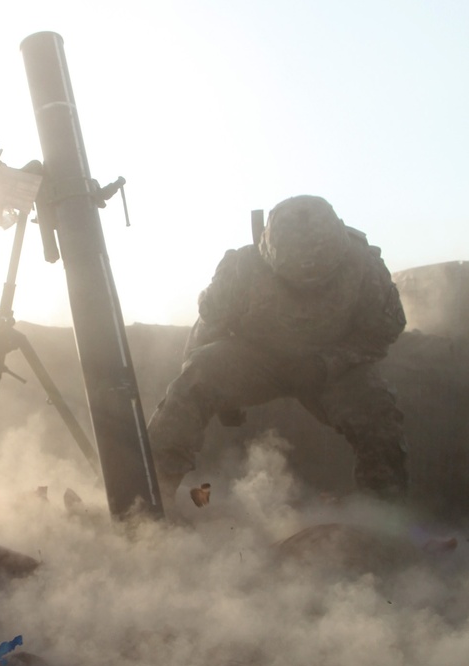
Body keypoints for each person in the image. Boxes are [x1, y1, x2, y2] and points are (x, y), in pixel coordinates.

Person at [147, 194, 408, 504]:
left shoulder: (364, 268)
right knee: (192, 383)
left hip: (330, 366)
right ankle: (148, 500)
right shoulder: (242, 269)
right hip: (256, 361)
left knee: (378, 412)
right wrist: (218, 393)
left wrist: (328, 363)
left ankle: (381, 518)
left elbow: (381, 332)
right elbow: (208, 326)